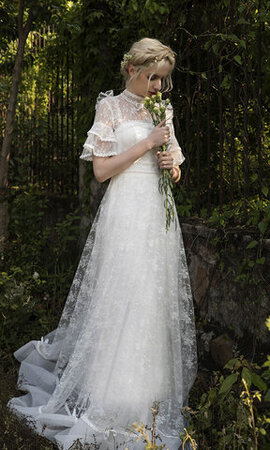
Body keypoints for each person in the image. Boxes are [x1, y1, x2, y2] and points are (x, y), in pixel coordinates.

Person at [7, 37, 197, 450]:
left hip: (157, 216)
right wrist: (146, 145)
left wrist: (171, 167)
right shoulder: (109, 107)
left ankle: (145, 394)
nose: (158, 88)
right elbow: (101, 171)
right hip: (124, 212)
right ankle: (109, 392)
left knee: (151, 298)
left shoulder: (163, 108)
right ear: (132, 69)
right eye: (152, 78)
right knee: (120, 293)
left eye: (163, 80)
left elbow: (176, 164)